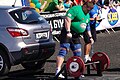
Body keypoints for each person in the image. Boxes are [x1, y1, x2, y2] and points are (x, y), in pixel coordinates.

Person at [55, 0, 95, 78]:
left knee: (78, 54)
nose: (89, 11)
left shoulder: (87, 14)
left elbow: (87, 27)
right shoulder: (75, 9)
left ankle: (76, 72)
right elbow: (67, 19)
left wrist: (90, 37)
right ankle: (57, 71)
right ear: (85, 6)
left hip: (76, 36)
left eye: (90, 10)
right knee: (63, 51)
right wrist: (68, 31)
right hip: (67, 34)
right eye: (88, 9)